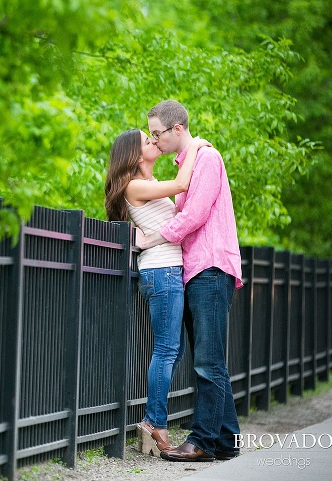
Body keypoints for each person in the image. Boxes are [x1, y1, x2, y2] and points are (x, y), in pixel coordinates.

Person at [137, 99, 243, 462]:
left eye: (157, 133)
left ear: (176, 129)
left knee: (207, 363)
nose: (155, 141)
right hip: (197, 269)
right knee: (208, 359)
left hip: (210, 268)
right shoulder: (190, 164)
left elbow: (194, 215)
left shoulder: (207, 159)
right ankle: (227, 441)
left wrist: (154, 237)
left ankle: (201, 442)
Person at [104, 128, 210, 456]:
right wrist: (195, 146)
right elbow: (182, 184)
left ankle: (154, 420)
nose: (154, 142)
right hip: (161, 272)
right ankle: (154, 423)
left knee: (172, 351)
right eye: (147, 141)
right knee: (166, 350)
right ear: (135, 156)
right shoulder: (135, 186)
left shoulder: (147, 185)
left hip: (167, 271)